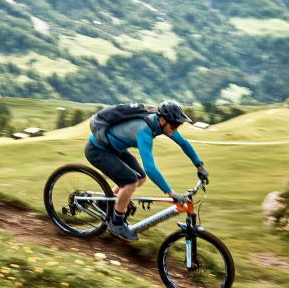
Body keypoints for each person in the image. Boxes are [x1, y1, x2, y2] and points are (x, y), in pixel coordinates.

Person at [84, 101, 208, 241]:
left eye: (177, 125)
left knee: (140, 178)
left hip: (114, 148)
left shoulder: (162, 125)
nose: (175, 129)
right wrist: (171, 193)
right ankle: (116, 224)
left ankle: (104, 202)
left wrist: (199, 166)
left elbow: (184, 143)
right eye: (174, 125)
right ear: (162, 120)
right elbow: (150, 168)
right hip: (97, 150)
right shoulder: (145, 132)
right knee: (130, 182)